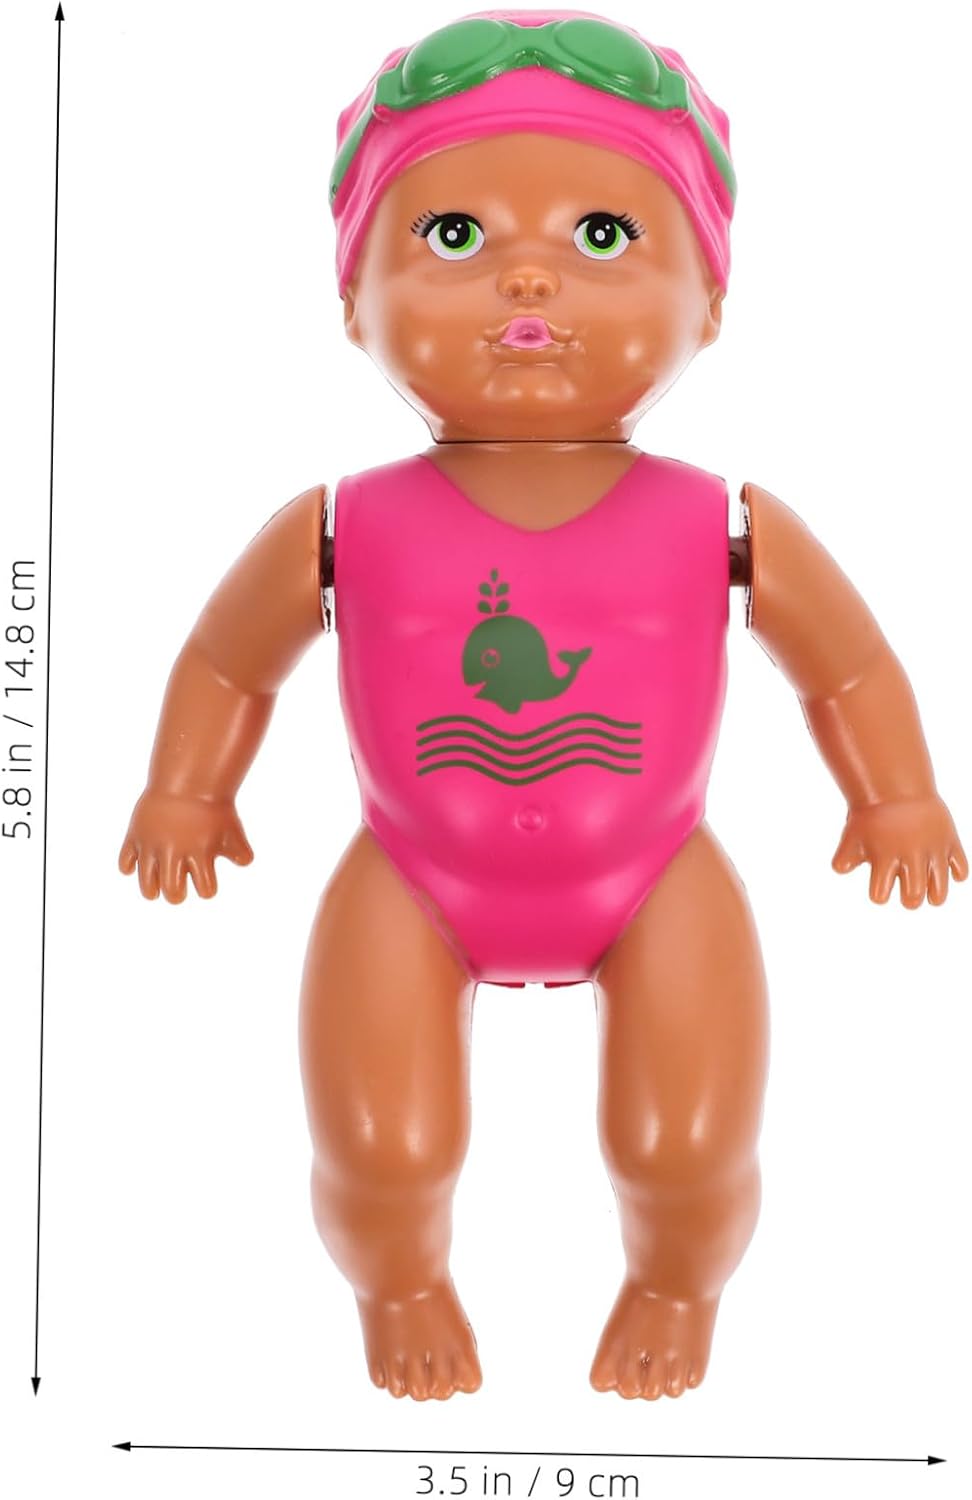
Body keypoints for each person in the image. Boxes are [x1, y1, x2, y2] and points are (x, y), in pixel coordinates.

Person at [119, 10, 966, 1401]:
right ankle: (399, 1288)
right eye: (452, 236)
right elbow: (225, 658)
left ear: (710, 303)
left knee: (685, 1144)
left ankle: (675, 1287)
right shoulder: (339, 523)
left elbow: (851, 663)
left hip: (657, 877)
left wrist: (897, 795)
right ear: (353, 306)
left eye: (604, 235)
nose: (528, 274)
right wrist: (188, 788)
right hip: (409, 878)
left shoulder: (723, 520)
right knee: (381, 1147)